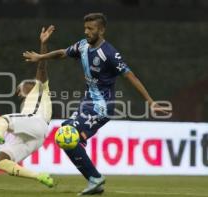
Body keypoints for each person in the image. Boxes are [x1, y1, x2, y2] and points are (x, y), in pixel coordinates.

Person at [23, 13, 170, 195]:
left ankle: (94, 178)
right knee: (65, 133)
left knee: (65, 135)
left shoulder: (109, 53)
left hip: (102, 106)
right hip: (88, 103)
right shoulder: (83, 45)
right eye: (85, 28)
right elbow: (63, 53)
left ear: (101, 30)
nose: (86, 32)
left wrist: (150, 102)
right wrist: (40, 55)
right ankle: (93, 175)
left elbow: (131, 76)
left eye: (90, 29)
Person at [0, 25, 55, 188]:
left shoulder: (40, 87)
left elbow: (42, 66)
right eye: (20, 89)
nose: (21, 89)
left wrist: (43, 44)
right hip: (36, 136)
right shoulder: (27, 103)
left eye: (22, 86)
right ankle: (40, 176)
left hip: (37, 123)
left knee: (2, 119)